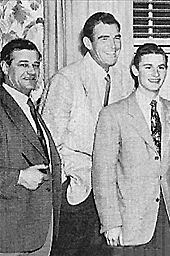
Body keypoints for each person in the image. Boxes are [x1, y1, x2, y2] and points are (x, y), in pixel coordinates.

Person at [40, 12, 134, 255]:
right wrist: (72, 179)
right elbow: (49, 142)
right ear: (88, 43)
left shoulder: (124, 81)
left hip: (111, 196)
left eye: (117, 37)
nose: (113, 46)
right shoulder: (66, 79)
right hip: (77, 194)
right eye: (104, 38)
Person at [92, 43, 170, 256]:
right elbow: (102, 173)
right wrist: (110, 222)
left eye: (161, 67)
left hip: (167, 220)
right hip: (129, 221)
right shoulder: (113, 114)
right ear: (135, 70)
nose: (156, 73)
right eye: (148, 67)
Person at [0, 38, 62, 255]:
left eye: (36, 65)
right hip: (9, 234)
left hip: (38, 230)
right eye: (23, 64)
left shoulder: (29, 106)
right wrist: (18, 177)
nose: (32, 71)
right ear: (5, 67)